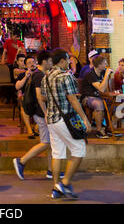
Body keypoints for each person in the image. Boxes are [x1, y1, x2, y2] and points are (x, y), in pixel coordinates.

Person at [41, 48, 91, 200]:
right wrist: (85, 119)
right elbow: (73, 99)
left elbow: (43, 98)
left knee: (57, 153)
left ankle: (56, 188)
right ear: (62, 61)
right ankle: (66, 182)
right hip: (64, 119)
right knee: (79, 148)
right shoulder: (65, 76)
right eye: (68, 60)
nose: (69, 62)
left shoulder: (46, 77)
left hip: (51, 119)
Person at [13, 50, 61, 180]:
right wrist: (46, 114)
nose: (51, 64)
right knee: (45, 143)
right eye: (50, 61)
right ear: (45, 61)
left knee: (50, 143)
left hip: (41, 113)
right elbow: (40, 96)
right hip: (41, 113)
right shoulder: (39, 75)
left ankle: (52, 170)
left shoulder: (40, 74)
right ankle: (21, 161)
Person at [80, 55, 114, 139]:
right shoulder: (90, 74)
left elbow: (104, 89)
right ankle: (99, 131)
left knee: (113, 104)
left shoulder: (103, 72)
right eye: (104, 63)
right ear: (99, 65)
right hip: (87, 98)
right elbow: (101, 88)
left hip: (99, 96)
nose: (106, 64)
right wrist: (106, 75)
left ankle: (108, 128)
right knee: (99, 104)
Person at [15, 55, 38, 138]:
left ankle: (36, 128)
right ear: (25, 66)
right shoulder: (22, 75)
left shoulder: (39, 73)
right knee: (24, 106)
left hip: (39, 99)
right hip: (27, 100)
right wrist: (26, 77)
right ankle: (30, 130)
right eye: (29, 63)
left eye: (33, 62)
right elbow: (17, 87)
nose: (32, 64)